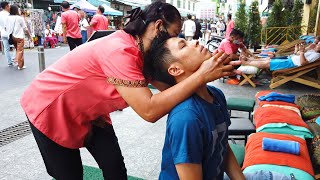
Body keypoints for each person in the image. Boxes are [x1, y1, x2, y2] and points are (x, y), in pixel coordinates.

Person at [20, 2, 238, 179]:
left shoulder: (146, 53)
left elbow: (173, 88)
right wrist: (202, 75)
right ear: (159, 26)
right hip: (50, 105)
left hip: (91, 113)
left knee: (115, 167)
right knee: (70, 175)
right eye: (175, 34)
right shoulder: (120, 50)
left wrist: (204, 80)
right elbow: (149, 110)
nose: (175, 40)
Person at [144, 36, 243, 180]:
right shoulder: (186, 118)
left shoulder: (216, 95)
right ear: (176, 69)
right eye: (183, 45)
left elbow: (222, 145)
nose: (195, 42)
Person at [240, 43, 320, 71]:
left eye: (319, 44)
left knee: (268, 63)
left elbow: (303, 63)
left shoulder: (316, 55)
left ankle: (247, 63)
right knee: (268, 60)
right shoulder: (313, 51)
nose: (317, 44)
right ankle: (249, 60)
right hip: (290, 58)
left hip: (291, 63)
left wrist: (302, 52)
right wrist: (306, 49)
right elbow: (298, 53)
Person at [5, 5, 32, 70]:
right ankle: (18, 63)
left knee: (18, 50)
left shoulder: (8, 18)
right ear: (16, 10)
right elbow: (25, 29)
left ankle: (20, 64)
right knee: (20, 51)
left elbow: (6, 27)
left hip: (12, 36)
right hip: (19, 37)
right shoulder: (20, 18)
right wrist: (30, 36)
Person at [0, 2, 14, 66]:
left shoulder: (0, 14)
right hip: (9, 33)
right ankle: (14, 58)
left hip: (2, 33)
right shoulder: (8, 14)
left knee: (6, 48)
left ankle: (9, 62)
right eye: (8, 6)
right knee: (16, 46)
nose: (9, 7)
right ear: (6, 6)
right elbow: (9, 24)